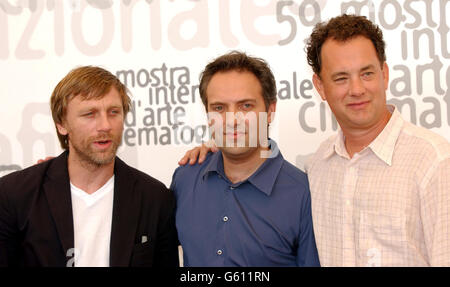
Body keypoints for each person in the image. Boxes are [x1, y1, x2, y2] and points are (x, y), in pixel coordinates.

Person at [180, 15, 450, 267]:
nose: (356, 89)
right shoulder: (320, 165)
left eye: (366, 73)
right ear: (320, 86)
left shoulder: (434, 162)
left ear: (385, 74)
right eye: (341, 78)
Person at [0, 66, 178, 267]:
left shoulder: (155, 198)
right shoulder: (15, 195)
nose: (105, 125)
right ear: (61, 124)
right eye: (89, 114)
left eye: (113, 112)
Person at [171, 51, 320, 267]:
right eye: (219, 108)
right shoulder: (185, 179)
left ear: (270, 111)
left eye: (246, 106)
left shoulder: (303, 193)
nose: (232, 120)